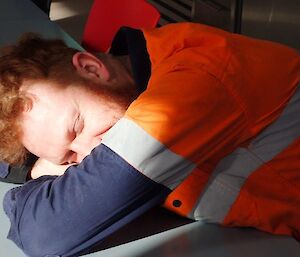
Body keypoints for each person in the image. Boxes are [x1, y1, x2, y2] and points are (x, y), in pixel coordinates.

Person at [0, 22, 299, 257]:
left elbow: (46, 232)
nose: (89, 154)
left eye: (77, 128)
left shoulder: (190, 84)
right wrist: (35, 166)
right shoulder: (122, 88)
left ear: (91, 69)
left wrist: (44, 169)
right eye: (69, 158)